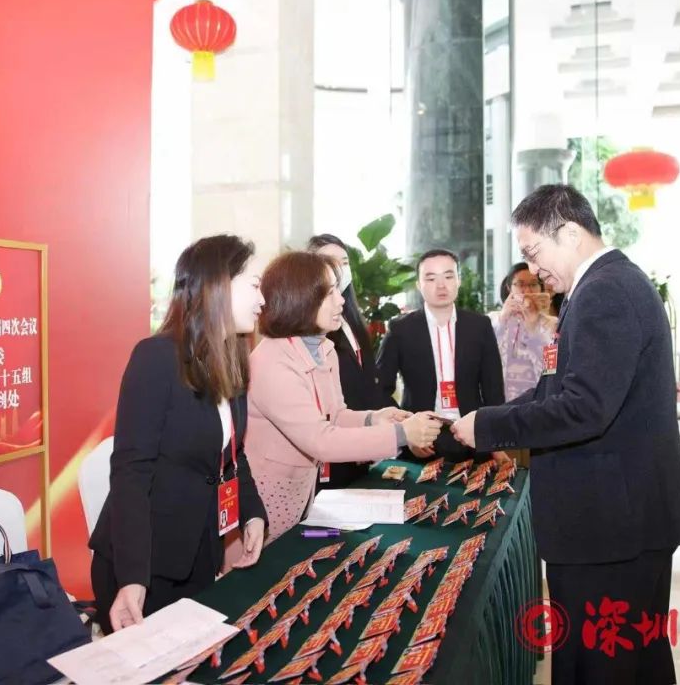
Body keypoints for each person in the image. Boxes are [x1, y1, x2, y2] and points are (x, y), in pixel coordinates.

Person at [451, 184, 680, 685]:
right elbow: (556, 388)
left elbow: (584, 408)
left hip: (611, 528)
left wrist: (489, 426)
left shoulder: (605, 291)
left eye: (534, 252)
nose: (532, 269)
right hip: (622, 519)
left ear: (570, 233)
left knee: (600, 667)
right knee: (636, 664)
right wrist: (483, 420)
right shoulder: (605, 285)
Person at [89, 235, 269, 633]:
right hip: (145, 566)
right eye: (255, 286)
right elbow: (131, 473)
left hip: (199, 554)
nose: (262, 301)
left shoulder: (232, 360)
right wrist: (132, 578)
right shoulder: (156, 358)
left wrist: (252, 512)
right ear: (219, 285)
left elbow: (232, 455)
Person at [245, 251, 442, 542]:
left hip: (304, 494)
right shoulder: (272, 362)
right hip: (266, 503)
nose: (341, 300)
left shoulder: (323, 348)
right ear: (300, 298)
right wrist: (402, 434)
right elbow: (321, 440)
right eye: (330, 292)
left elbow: (335, 415)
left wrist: (374, 418)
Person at [376, 249, 505, 462]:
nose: (441, 285)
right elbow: (381, 388)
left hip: (472, 436)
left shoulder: (479, 326)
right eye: (431, 278)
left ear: (458, 280)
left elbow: (494, 389)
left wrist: (494, 439)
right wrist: (406, 431)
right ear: (419, 285)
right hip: (421, 439)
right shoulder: (401, 329)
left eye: (448, 276)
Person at [308, 234, 390, 488]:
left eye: (344, 262)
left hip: (362, 450)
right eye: (329, 262)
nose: (339, 269)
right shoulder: (314, 331)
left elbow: (367, 384)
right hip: (333, 452)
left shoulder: (351, 321)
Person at [492, 263, 558, 402]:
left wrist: (533, 329)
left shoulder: (553, 324)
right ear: (509, 288)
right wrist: (503, 319)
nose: (527, 290)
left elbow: (551, 368)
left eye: (533, 284)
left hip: (537, 402)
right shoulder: (493, 319)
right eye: (520, 284)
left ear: (541, 288)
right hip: (499, 401)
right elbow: (484, 357)